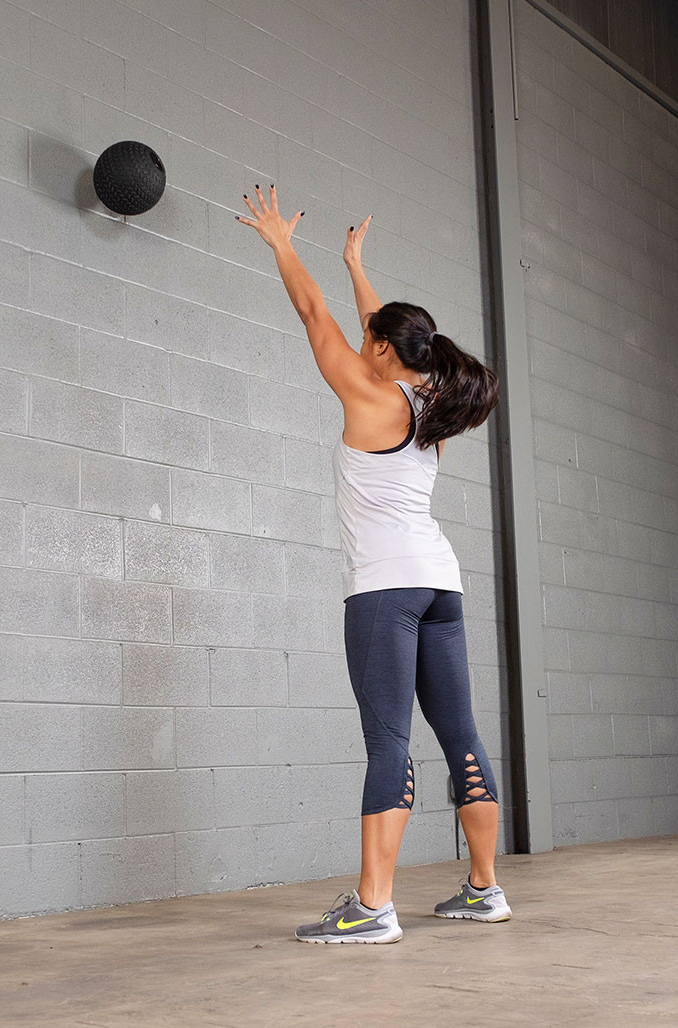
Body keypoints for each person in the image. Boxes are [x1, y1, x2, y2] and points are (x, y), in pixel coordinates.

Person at [236, 185, 510, 944]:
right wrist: (358, 261)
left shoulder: (366, 392)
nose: (365, 344)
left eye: (375, 339)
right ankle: (485, 890)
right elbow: (373, 327)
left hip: (385, 589)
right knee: (460, 734)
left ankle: (373, 907)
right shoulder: (436, 403)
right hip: (440, 582)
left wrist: (281, 246)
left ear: (386, 351)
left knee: (389, 741)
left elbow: (317, 318)